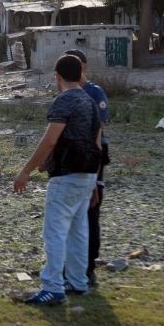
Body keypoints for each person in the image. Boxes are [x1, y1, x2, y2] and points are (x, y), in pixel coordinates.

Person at [13, 54, 102, 306]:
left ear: (58, 77)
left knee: (54, 232)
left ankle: (53, 287)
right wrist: (94, 181)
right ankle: (77, 281)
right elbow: (97, 145)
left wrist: (26, 170)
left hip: (66, 177)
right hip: (86, 176)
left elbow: (50, 140)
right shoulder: (91, 102)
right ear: (81, 74)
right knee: (78, 232)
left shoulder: (63, 102)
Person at [63, 49, 110, 287]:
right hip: (69, 159)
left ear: (84, 67)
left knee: (90, 212)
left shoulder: (94, 93)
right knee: (68, 213)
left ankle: (89, 267)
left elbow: (96, 136)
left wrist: (93, 172)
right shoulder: (65, 92)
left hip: (91, 157)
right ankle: (68, 267)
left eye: (77, 65)